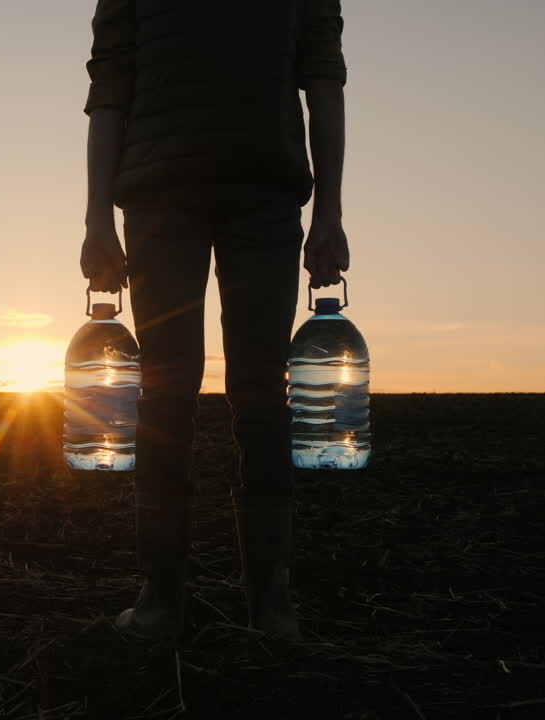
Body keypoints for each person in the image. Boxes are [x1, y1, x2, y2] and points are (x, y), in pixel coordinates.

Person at [80, 0, 350, 641]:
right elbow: (110, 86)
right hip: (164, 197)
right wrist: (96, 220)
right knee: (170, 392)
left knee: (255, 394)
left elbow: (323, 80)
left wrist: (330, 213)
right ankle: (166, 596)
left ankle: (266, 601)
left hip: (261, 193)